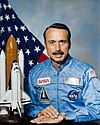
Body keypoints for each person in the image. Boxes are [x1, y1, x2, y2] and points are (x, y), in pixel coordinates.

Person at [27, 23, 100, 124]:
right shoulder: (34, 73)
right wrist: (39, 113)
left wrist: (65, 117)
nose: (57, 49)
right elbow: (29, 105)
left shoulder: (85, 72)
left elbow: (96, 109)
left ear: (69, 44)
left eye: (62, 42)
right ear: (45, 45)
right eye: (52, 42)